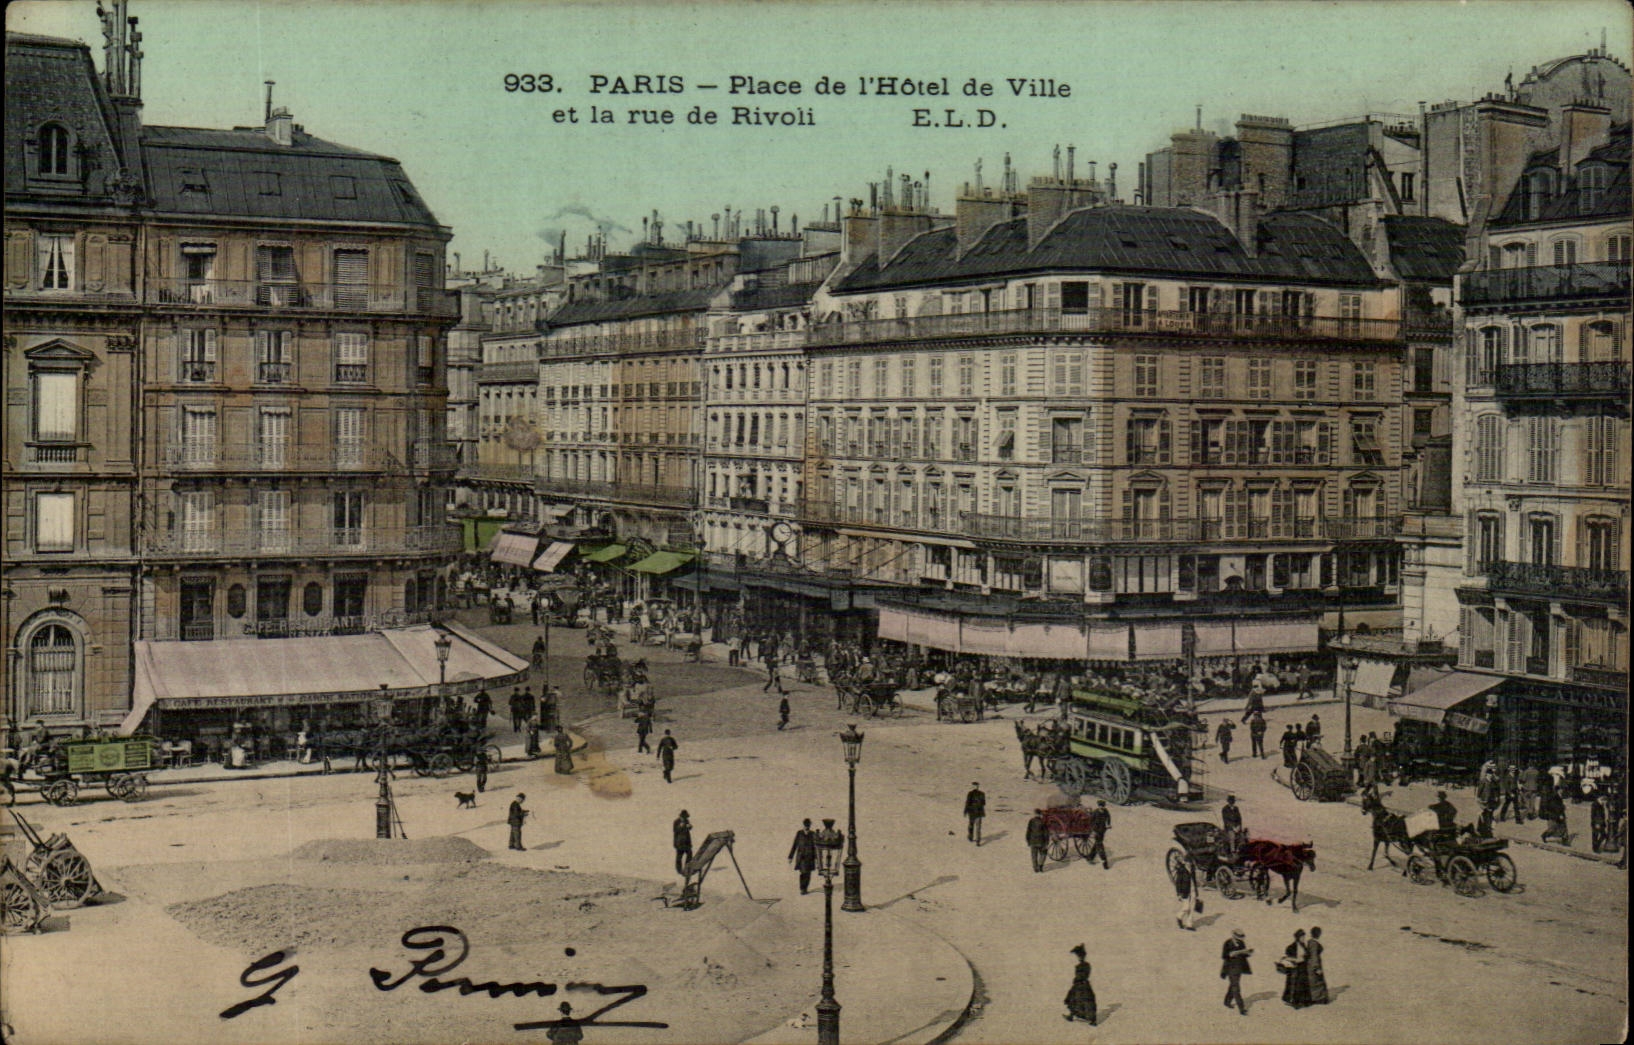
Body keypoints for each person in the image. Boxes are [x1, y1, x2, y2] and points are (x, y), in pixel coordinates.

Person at [1062, 944, 1097, 1025]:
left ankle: (1092, 1020)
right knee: (1074, 999)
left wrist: (1077, 979)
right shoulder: (1083, 965)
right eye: (1078, 956)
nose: (1079, 957)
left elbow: (1082, 975)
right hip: (1080, 984)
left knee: (1083, 1001)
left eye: (1079, 956)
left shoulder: (1083, 965)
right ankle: (1071, 1016)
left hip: (1081, 985)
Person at [1221, 929, 1253, 1015]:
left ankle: (1227, 1001)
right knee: (1236, 987)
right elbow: (1224, 955)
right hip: (1230, 967)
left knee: (1233, 985)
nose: (1241, 939)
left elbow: (1244, 955)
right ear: (1234, 936)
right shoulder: (1228, 943)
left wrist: (1248, 953)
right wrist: (1236, 952)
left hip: (1239, 968)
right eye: (1239, 937)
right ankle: (1241, 1008)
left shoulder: (1241, 943)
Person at [1280, 929, 1311, 1008]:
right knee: (1295, 985)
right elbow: (1288, 957)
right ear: (1298, 937)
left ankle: (1304, 1001)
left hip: (1303, 968)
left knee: (1303, 984)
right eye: (1302, 937)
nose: (1303, 938)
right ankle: (1294, 1001)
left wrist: (1305, 958)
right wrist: (1296, 959)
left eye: (1304, 937)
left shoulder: (1303, 945)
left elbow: (1307, 955)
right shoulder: (1292, 947)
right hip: (1295, 968)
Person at [788, 818, 817, 894]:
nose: (807, 827)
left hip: (810, 858)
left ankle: (805, 888)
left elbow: (815, 847)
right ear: (803, 825)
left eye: (808, 825)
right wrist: (790, 857)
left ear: (810, 825)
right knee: (803, 872)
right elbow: (795, 845)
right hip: (802, 858)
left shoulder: (813, 834)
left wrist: (817, 858)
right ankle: (802, 888)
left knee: (808, 874)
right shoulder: (799, 833)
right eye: (806, 825)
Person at [1305, 927, 1329, 1004]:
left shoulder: (1311, 942)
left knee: (1314, 981)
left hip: (1310, 964)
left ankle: (1315, 998)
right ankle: (1318, 999)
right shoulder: (1314, 943)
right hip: (1313, 965)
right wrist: (1316, 968)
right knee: (1317, 981)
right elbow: (1314, 956)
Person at [1085, 800, 1111, 869]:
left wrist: (1108, 824)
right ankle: (1104, 863)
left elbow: (1108, 817)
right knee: (1100, 846)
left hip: (1103, 830)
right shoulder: (1095, 812)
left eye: (1102, 806)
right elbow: (1090, 822)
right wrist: (1093, 831)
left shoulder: (1106, 811)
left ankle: (1089, 857)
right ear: (1098, 806)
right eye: (1100, 806)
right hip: (1096, 831)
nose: (1101, 807)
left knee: (1097, 844)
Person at [1174, 857, 1198, 931]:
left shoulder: (1192, 869)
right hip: (1185, 891)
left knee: (1192, 908)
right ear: (1185, 862)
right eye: (1188, 862)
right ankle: (1179, 916)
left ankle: (1189, 925)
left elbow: (1194, 880)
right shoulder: (1181, 870)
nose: (1189, 864)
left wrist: (1196, 891)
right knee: (1186, 907)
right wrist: (1178, 893)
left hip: (1192, 890)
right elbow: (1178, 883)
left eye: (1190, 862)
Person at [673, 810, 693, 876]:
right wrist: (680, 826)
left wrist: (690, 826)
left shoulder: (686, 821)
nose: (685, 818)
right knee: (679, 857)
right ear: (682, 816)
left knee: (689, 854)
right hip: (680, 843)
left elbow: (689, 828)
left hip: (687, 842)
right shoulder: (676, 821)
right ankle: (679, 870)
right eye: (685, 817)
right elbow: (675, 831)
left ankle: (687, 868)